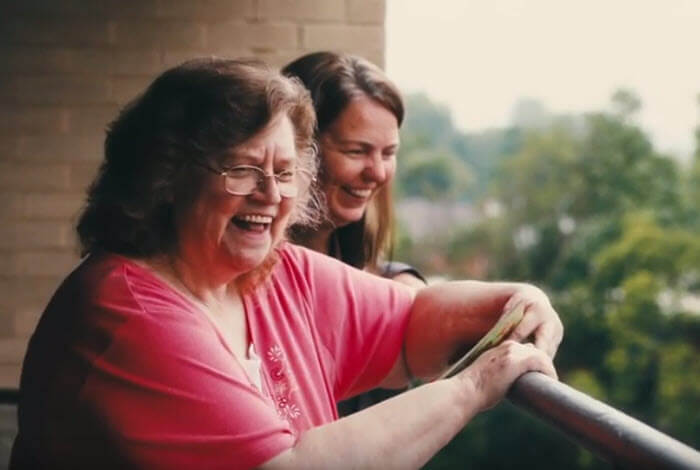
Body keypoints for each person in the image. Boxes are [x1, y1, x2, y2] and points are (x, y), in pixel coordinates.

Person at [11, 57, 562, 470]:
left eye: (284, 171)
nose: (271, 194)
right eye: (243, 169)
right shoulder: (127, 314)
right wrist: (473, 386)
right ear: (166, 179)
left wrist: (515, 301)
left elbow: (409, 323)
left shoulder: (274, 275)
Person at [282, 51, 426, 289]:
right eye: (356, 151)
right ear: (298, 149)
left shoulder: (389, 281)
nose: (378, 173)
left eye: (388, 153)